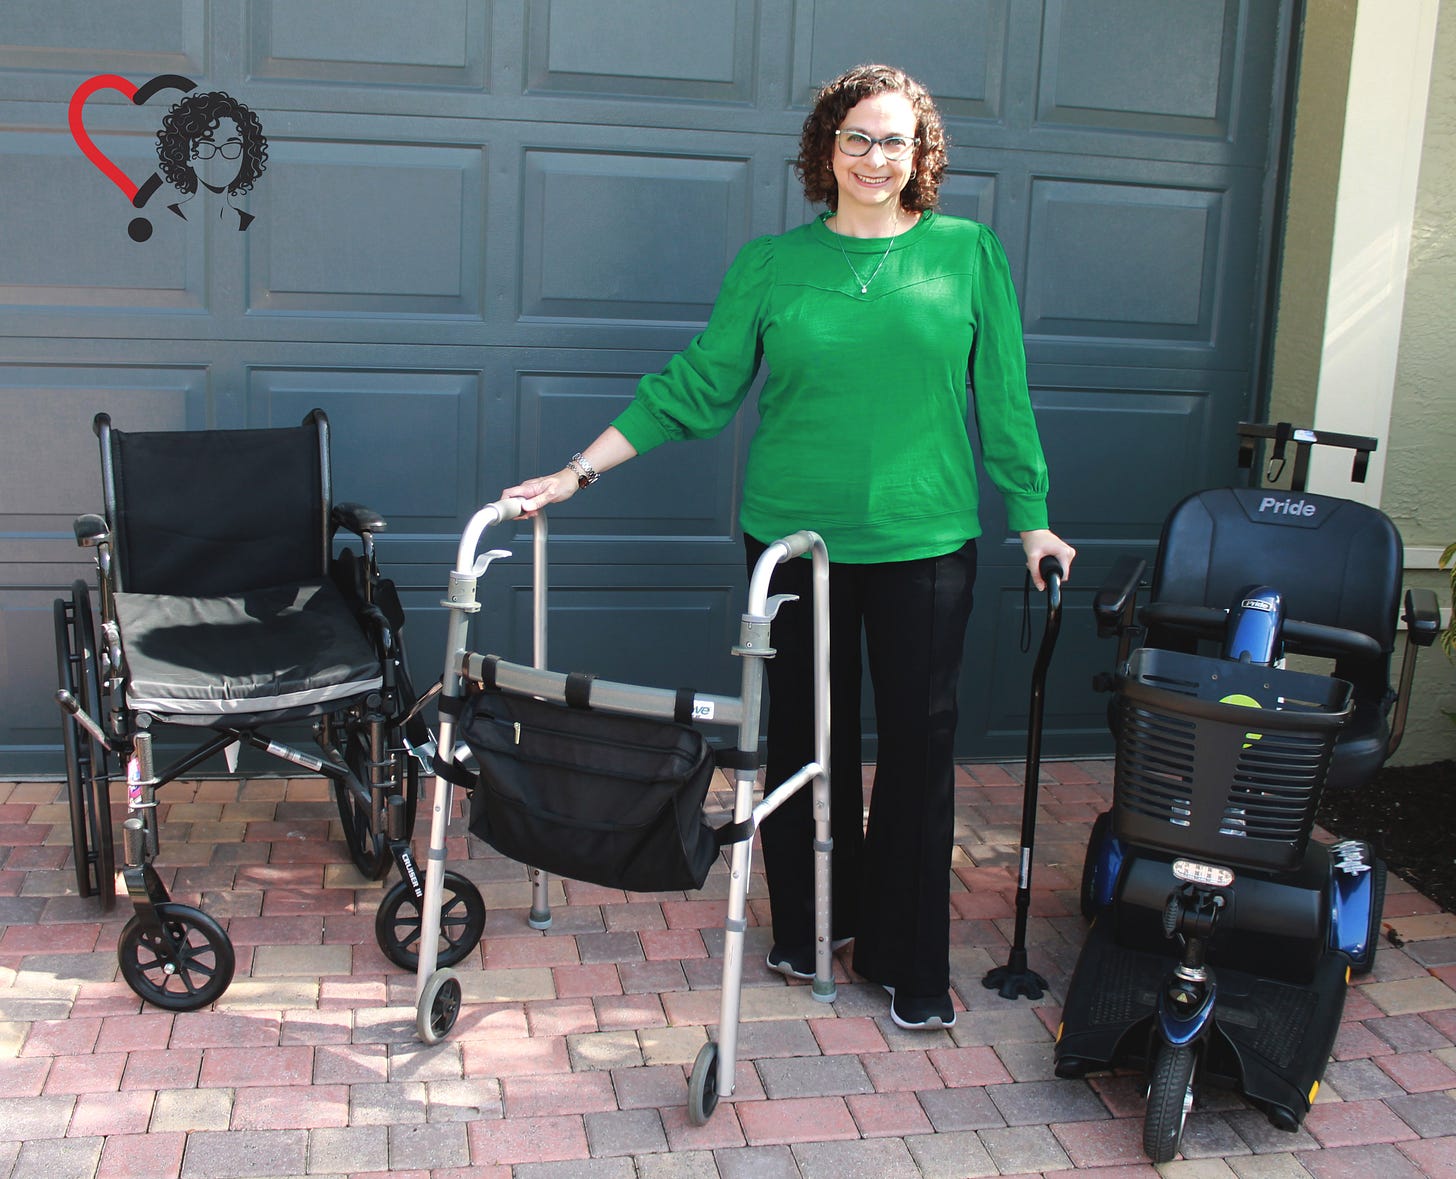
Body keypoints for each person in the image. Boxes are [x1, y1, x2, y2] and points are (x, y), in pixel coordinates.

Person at [502, 63, 1076, 1030]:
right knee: (809, 744)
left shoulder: (969, 254)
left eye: (895, 140)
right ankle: (813, 928)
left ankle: (905, 956)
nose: (875, 157)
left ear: (921, 154)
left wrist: (1032, 517)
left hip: (924, 539)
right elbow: (695, 386)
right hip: (794, 543)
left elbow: (1005, 401)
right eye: (857, 137)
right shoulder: (770, 265)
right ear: (826, 148)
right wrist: (577, 470)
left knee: (918, 751)